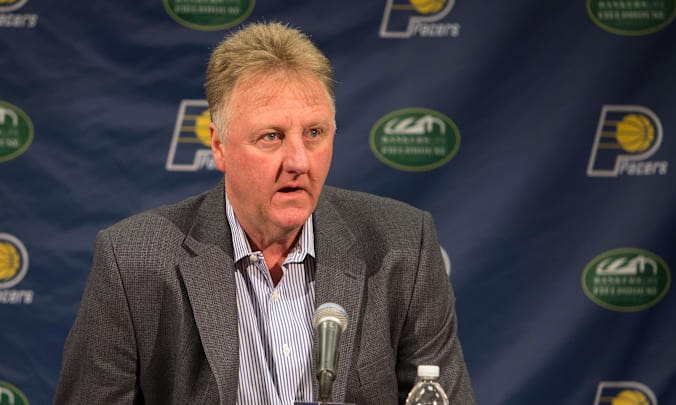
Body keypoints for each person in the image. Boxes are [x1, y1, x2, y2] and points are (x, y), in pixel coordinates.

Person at [54, 21, 475, 405]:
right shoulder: (134, 262)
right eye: (271, 136)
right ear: (219, 146)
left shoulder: (403, 246)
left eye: (314, 133)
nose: (299, 161)